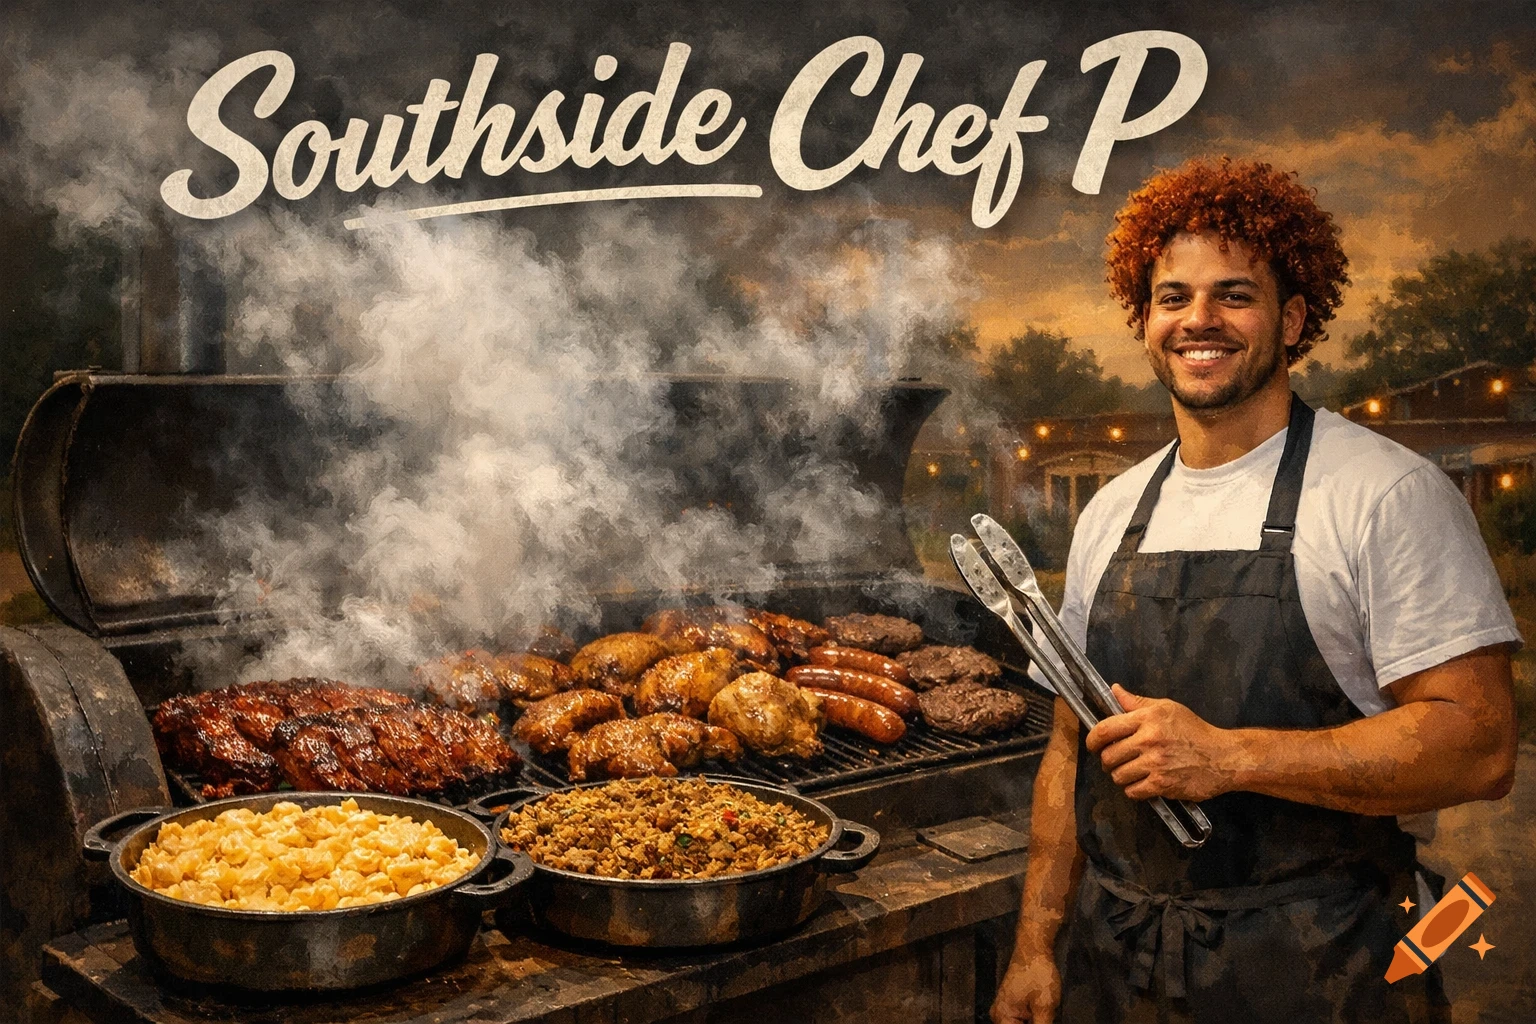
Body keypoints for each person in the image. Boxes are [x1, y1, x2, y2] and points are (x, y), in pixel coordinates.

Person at [990, 157, 1521, 1024]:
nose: (1200, 320)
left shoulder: (1383, 494)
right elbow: (1066, 754)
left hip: (1321, 968)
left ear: (1294, 317)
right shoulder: (1112, 513)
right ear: (1146, 319)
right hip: (1119, 964)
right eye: (1173, 297)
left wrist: (1231, 757)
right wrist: (1034, 947)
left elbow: (1483, 746)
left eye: (1234, 295)